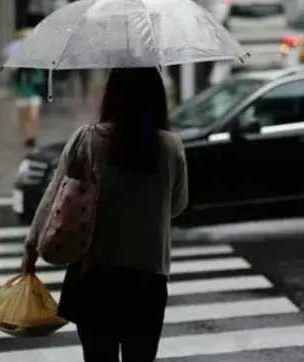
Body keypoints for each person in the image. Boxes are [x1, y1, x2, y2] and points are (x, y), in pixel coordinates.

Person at [21, 67, 189, 362]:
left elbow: (54, 195)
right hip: (148, 278)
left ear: (111, 95)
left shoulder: (87, 140)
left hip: (96, 275)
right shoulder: (171, 146)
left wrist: (31, 248)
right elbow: (177, 206)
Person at [12, 67, 45, 147]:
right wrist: (19, 90)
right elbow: (15, 83)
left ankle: (32, 136)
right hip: (22, 97)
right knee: (24, 119)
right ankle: (28, 137)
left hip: (35, 96)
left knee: (33, 117)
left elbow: (41, 81)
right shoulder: (19, 71)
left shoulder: (38, 70)